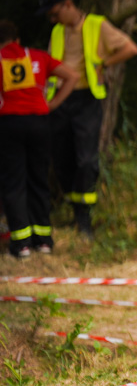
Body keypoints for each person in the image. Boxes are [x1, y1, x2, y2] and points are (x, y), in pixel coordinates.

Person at [37, 0, 137, 239]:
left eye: (54, 13)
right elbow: (51, 64)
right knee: (61, 159)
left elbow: (130, 48)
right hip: (60, 100)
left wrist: (103, 64)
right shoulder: (58, 32)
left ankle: (84, 217)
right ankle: (72, 211)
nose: (53, 19)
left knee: (86, 160)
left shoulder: (97, 25)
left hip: (86, 99)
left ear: (68, 4)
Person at [0, 20, 78, 258]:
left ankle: (21, 244)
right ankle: (44, 240)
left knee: (14, 182)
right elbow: (72, 76)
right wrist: (52, 103)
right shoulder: (38, 56)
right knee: (38, 179)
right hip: (40, 123)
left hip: (10, 123)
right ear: (17, 39)